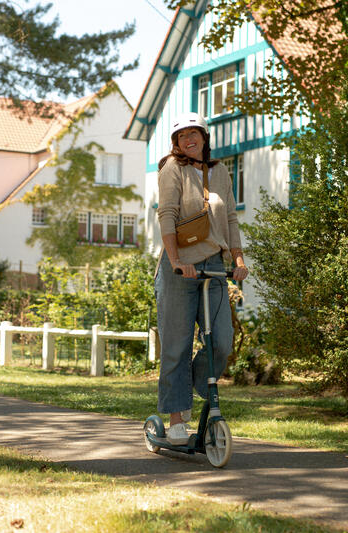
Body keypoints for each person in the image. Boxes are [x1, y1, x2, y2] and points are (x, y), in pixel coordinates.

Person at [155, 112, 248, 445]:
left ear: (204, 137)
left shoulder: (219, 171)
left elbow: (231, 218)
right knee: (177, 346)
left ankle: (192, 386)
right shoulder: (172, 169)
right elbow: (167, 214)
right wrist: (177, 261)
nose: (188, 140)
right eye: (181, 136)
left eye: (193, 133)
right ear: (176, 143)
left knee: (221, 340)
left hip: (213, 264)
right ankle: (176, 417)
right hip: (179, 268)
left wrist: (238, 259)